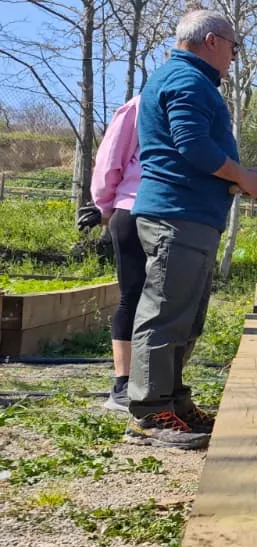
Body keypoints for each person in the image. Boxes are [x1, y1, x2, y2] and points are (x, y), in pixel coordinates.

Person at [129, 10, 257, 449]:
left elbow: (193, 149)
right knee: (164, 314)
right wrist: (244, 178)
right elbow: (192, 145)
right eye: (234, 48)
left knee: (185, 315)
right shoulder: (188, 80)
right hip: (178, 214)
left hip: (190, 214)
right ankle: (149, 412)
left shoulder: (185, 80)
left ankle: (173, 402)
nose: (234, 58)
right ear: (212, 41)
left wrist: (246, 174)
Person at [76, 94, 143, 413]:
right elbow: (110, 158)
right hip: (131, 207)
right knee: (132, 294)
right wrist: (103, 205)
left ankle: (150, 380)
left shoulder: (198, 102)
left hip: (172, 212)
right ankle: (123, 383)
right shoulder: (139, 105)